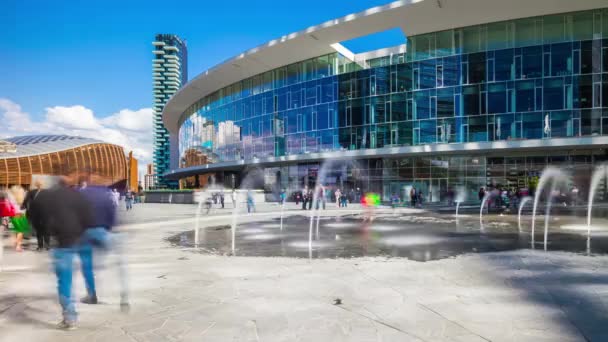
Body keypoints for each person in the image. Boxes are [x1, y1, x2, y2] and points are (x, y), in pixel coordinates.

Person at [32, 177, 93, 330]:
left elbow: (35, 214)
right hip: (78, 240)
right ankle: (88, 296)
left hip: (62, 243)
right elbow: (88, 218)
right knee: (81, 271)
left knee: (65, 281)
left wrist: (48, 232)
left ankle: (70, 318)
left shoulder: (48, 196)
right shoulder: (77, 195)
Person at [77, 175, 129, 311]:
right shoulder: (108, 194)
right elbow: (113, 216)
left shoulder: (81, 193)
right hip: (104, 232)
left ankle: (92, 295)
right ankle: (123, 295)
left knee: (87, 265)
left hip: (87, 232)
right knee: (118, 263)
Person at [23, 180, 49, 251]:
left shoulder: (31, 192)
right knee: (45, 229)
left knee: (39, 230)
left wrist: (24, 207)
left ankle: (40, 246)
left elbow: (26, 201)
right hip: (45, 213)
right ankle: (47, 245)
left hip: (36, 213)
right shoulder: (47, 192)